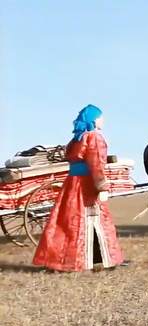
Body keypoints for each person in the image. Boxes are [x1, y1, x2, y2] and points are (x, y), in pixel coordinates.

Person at [33, 104, 125, 272]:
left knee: (68, 222)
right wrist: (101, 186)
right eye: (100, 117)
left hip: (72, 183)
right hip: (87, 184)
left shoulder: (76, 139)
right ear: (93, 120)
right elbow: (96, 162)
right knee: (94, 220)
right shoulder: (94, 137)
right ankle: (97, 260)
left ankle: (63, 260)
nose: (102, 120)